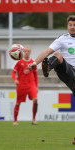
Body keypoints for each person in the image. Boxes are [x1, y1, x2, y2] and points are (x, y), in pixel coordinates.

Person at [28, 15, 75, 144]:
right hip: (66, 71)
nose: (72, 27)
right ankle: (47, 68)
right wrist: (35, 63)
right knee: (57, 55)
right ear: (67, 26)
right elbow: (47, 51)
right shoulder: (62, 39)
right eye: (70, 25)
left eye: (74, 25)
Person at [12, 45, 38, 125]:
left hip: (31, 84)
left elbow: (35, 75)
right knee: (18, 102)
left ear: (30, 52)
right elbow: (13, 72)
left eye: (28, 51)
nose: (27, 53)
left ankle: (34, 119)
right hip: (21, 85)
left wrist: (36, 86)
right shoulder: (19, 62)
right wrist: (15, 79)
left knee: (35, 99)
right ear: (23, 52)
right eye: (25, 51)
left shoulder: (33, 62)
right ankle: (15, 121)